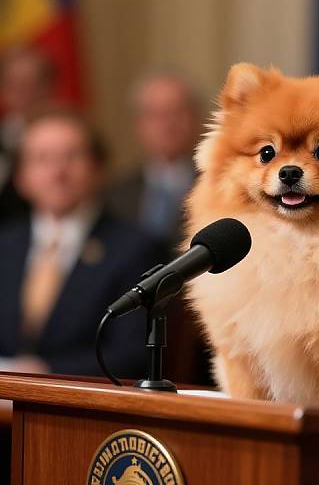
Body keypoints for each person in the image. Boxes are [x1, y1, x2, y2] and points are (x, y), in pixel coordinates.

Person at [0, 108, 161, 377]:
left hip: (82, 406)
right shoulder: (4, 243)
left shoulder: (135, 249)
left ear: (98, 168)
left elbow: (133, 352)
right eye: (42, 159)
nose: (57, 172)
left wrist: (44, 371)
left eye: (71, 156)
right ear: (21, 178)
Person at [107, 71, 199, 255]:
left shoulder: (218, 187)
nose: (167, 124)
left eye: (177, 112)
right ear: (138, 124)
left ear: (197, 118)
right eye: (155, 114)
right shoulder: (114, 194)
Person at [0, 48, 56, 221]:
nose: (24, 92)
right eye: (15, 84)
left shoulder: (69, 137)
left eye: (33, 83)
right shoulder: (4, 134)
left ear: (50, 86)